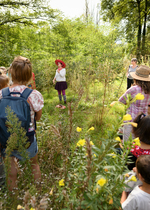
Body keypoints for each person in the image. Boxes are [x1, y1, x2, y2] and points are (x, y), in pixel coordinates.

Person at [0, 56, 44, 191]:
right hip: (28, 139)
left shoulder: (1, 93)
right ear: (29, 75)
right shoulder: (34, 94)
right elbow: (38, 118)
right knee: (34, 165)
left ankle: (13, 198)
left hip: (6, 139)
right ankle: (38, 192)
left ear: (10, 72)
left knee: (11, 173)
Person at [119, 65, 150, 142]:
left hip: (131, 121)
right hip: (144, 121)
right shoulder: (149, 90)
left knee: (127, 144)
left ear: (136, 78)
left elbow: (120, 101)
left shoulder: (134, 89)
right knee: (138, 143)